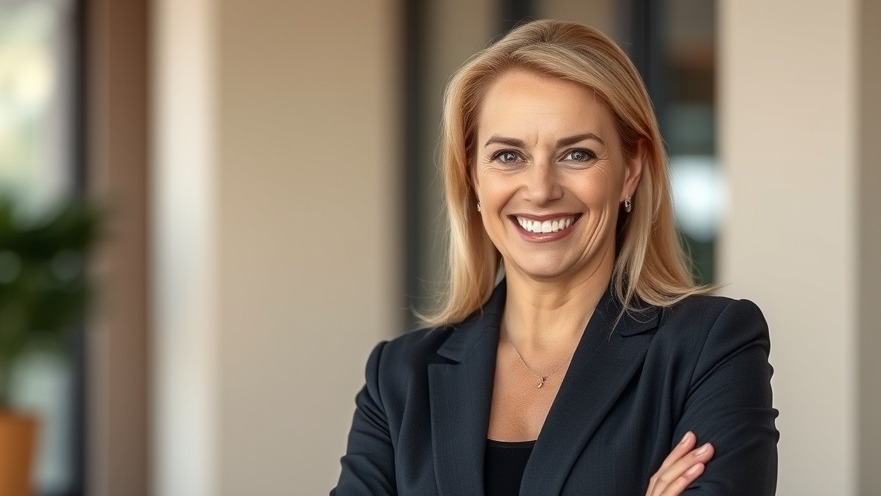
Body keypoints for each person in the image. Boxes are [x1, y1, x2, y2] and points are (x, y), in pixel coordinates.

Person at [332, 20, 778, 495]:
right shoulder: (398, 377)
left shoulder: (711, 346)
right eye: (508, 156)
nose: (541, 189)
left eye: (577, 154)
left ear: (630, 170)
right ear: (473, 177)